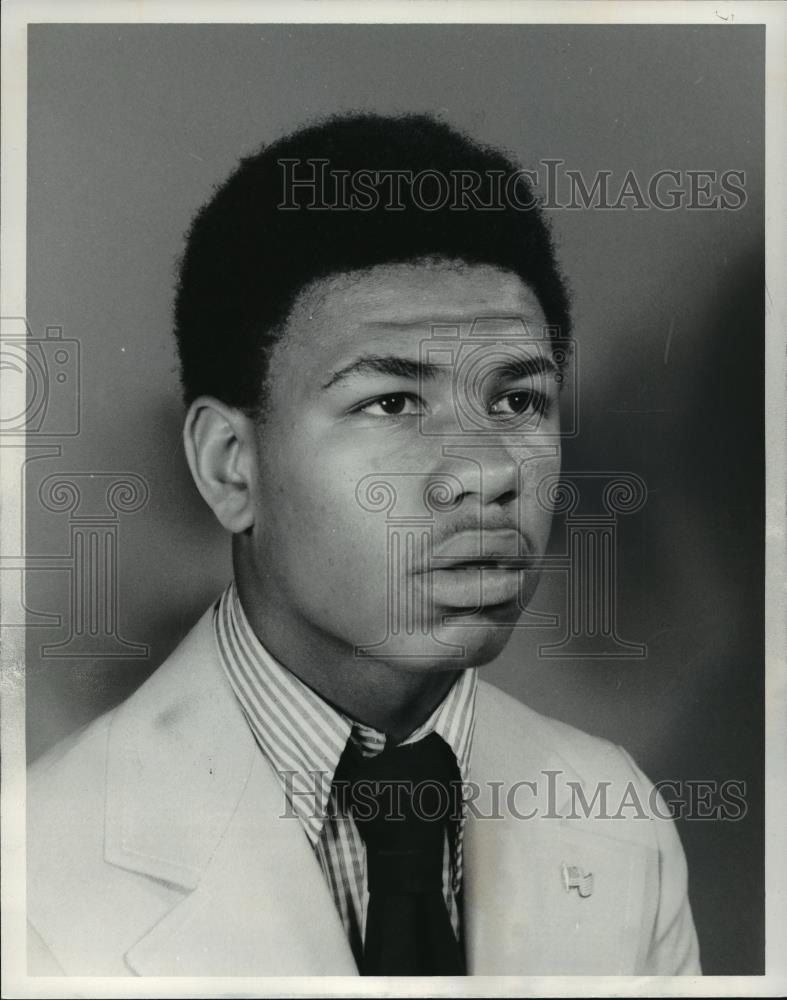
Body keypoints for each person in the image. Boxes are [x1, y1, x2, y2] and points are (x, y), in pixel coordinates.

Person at [27, 112, 701, 977]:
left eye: (517, 401)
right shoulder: (37, 867)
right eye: (391, 402)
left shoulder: (617, 816)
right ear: (230, 468)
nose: (486, 471)